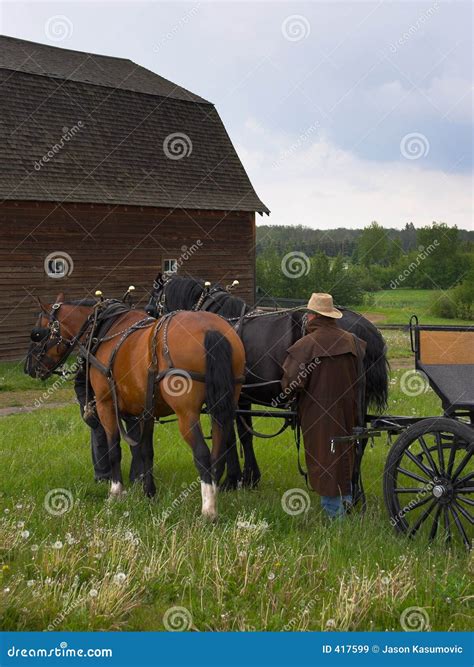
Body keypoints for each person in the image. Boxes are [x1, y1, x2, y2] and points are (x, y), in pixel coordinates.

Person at [281, 293, 366, 518]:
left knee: (324, 458)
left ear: (311, 317)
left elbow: (291, 384)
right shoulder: (353, 341)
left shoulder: (304, 346)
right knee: (345, 454)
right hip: (348, 411)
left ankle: (334, 515)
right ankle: (346, 503)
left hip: (318, 415)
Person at [74, 359, 144, 483]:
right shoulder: (90, 359)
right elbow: (80, 383)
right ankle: (103, 476)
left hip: (126, 402)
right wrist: (87, 403)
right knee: (101, 432)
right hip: (98, 404)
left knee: (136, 431)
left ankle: (139, 475)